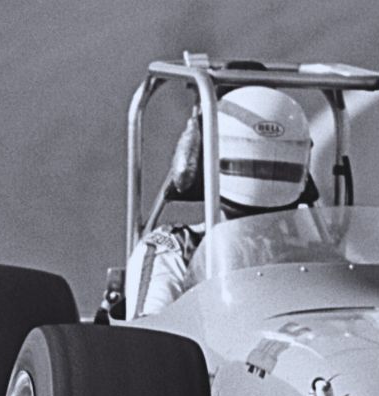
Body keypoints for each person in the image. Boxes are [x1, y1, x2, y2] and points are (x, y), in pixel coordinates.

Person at [131, 85, 313, 316]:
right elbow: (152, 339)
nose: (265, 176)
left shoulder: (312, 257)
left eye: (277, 169)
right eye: (255, 166)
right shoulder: (174, 250)